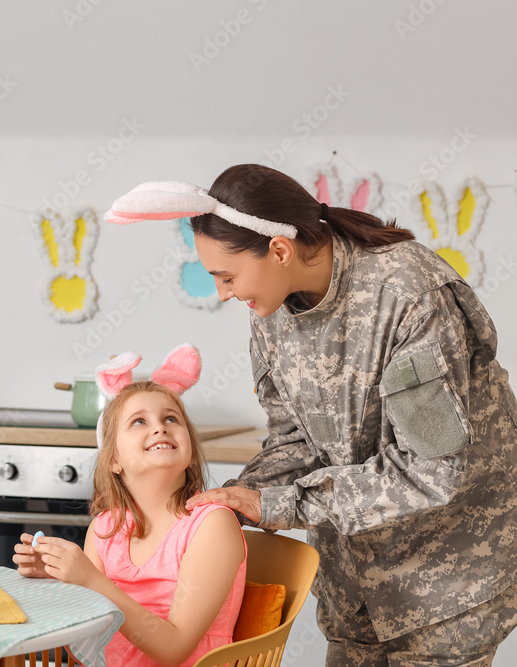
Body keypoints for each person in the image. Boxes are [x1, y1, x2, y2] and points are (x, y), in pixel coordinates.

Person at [106, 166, 517, 665]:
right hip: (354, 585)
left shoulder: (409, 295)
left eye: (227, 277)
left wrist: (277, 505)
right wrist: (226, 502)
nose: (223, 294)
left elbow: (430, 469)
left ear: (279, 250)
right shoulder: (271, 310)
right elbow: (295, 441)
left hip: (447, 579)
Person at [14, 346, 246, 667]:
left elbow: (174, 648)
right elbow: (83, 646)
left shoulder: (211, 525)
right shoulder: (105, 529)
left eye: (171, 418)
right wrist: (62, 581)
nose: (159, 427)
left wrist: (90, 581)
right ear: (114, 460)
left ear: (191, 451)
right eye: (138, 421)